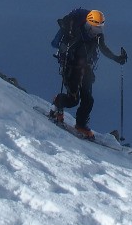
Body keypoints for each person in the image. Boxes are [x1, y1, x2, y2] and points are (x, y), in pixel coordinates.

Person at [50, 8, 127, 139]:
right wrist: (66, 47)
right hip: (71, 67)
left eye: (100, 27)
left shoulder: (96, 36)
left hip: (86, 69)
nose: (98, 31)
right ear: (89, 24)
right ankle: (58, 104)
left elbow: (103, 49)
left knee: (88, 99)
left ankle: (80, 124)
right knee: (73, 99)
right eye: (95, 27)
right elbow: (64, 46)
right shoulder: (76, 32)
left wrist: (116, 58)